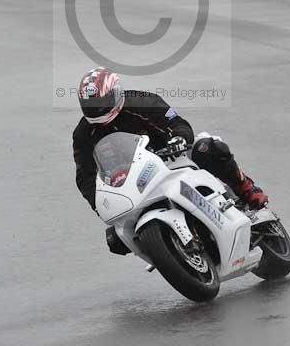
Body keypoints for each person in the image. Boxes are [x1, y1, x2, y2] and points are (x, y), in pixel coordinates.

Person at [72, 67, 268, 255]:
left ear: (115, 93)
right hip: (134, 183)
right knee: (116, 240)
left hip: (172, 158)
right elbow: (85, 176)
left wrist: (179, 138)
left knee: (209, 149)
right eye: (90, 105)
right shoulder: (83, 134)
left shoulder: (142, 102)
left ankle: (246, 188)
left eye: (101, 102)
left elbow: (177, 123)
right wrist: (101, 206)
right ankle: (166, 250)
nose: (97, 109)